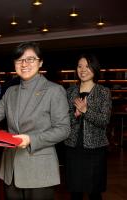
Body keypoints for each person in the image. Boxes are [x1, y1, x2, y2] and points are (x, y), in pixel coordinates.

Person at [0, 42, 70, 200]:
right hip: (12, 168)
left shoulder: (54, 91)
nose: (24, 64)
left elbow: (63, 129)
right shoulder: (11, 92)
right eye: (19, 60)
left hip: (39, 171)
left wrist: (31, 140)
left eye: (30, 59)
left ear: (40, 62)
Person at [64, 54, 112, 200]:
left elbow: (104, 120)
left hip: (95, 150)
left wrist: (86, 111)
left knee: (94, 192)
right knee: (75, 191)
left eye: (87, 66)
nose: (83, 70)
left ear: (94, 69)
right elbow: (64, 120)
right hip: (73, 148)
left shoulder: (103, 92)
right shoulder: (70, 92)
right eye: (80, 66)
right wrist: (76, 115)